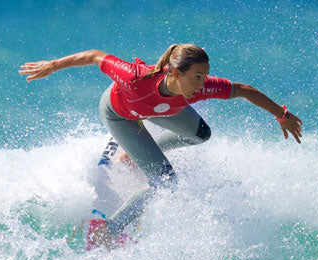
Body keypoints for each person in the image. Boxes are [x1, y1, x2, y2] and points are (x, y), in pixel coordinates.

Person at [19, 44, 303, 245]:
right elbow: (95, 56)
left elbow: (243, 90)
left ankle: (136, 154)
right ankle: (108, 231)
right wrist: (53, 65)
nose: (202, 83)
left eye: (204, 76)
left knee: (201, 134)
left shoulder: (199, 87)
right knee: (165, 180)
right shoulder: (135, 77)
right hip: (120, 114)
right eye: (197, 77)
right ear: (175, 73)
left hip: (162, 110)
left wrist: (282, 115)